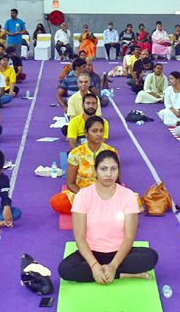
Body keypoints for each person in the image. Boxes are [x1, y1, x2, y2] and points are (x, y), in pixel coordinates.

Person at [59, 150, 159, 283]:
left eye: (113, 169)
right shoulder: (83, 196)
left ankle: (110, 272)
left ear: (118, 171)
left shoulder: (128, 196)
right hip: (91, 252)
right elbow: (80, 237)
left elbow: (129, 237)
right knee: (65, 269)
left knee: (151, 257)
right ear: (95, 171)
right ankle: (123, 274)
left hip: (119, 253)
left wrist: (113, 265)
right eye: (103, 169)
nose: (109, 174)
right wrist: (94, 266)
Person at [53, 113, 116, 214]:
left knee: (134, 199)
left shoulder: (111, 152)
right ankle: (99, 209)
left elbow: (116, 181)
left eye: (101, 131)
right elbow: (70, 183)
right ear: (86, 133)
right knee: (57, 201)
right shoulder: (76, 153)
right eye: (94, 131)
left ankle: (98, 208)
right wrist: (86, 196)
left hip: (105, 193)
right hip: (83, 193)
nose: (99, 134)